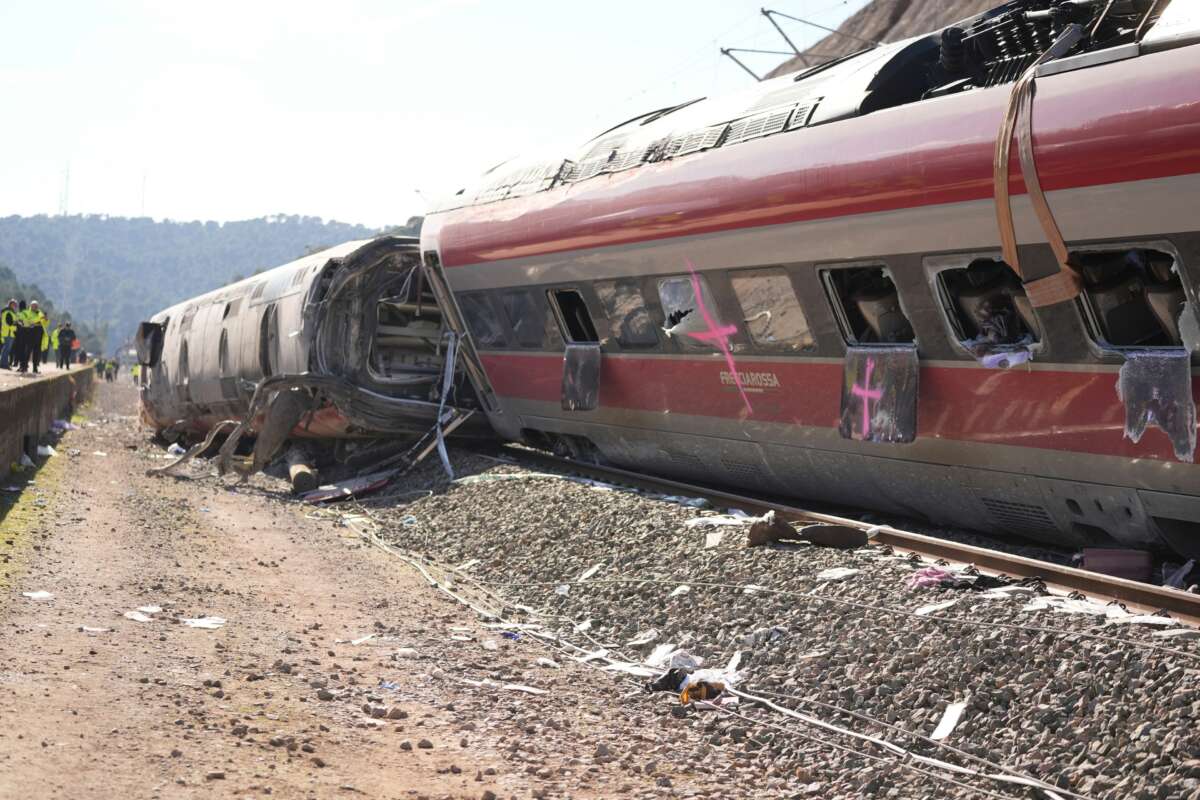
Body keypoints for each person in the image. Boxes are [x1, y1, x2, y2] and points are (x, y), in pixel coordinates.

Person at [26, 301, 48, 375]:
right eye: (33, 305)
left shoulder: (40, 313)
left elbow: (44, 324)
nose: (35, 307)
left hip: (39, 334)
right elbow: (29, 322)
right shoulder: (28, 313)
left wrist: (46, 319)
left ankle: (35, 368)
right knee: (28, 351)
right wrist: (39, 319)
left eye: (36, 306)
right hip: (31, 334)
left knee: (36, 352)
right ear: (30, 306)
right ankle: (24, 366)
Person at [0, 299, 16, 370]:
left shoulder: (8, 312)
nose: (15, 306)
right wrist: (17, 323)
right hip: (8, 333)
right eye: (13, 304)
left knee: (6, 349)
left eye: (15, 304)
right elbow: (9, 322)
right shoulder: (8, 312)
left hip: (8, 333)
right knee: (6, 349)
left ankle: (3, 363)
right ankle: (4, 364)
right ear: (10, 304)